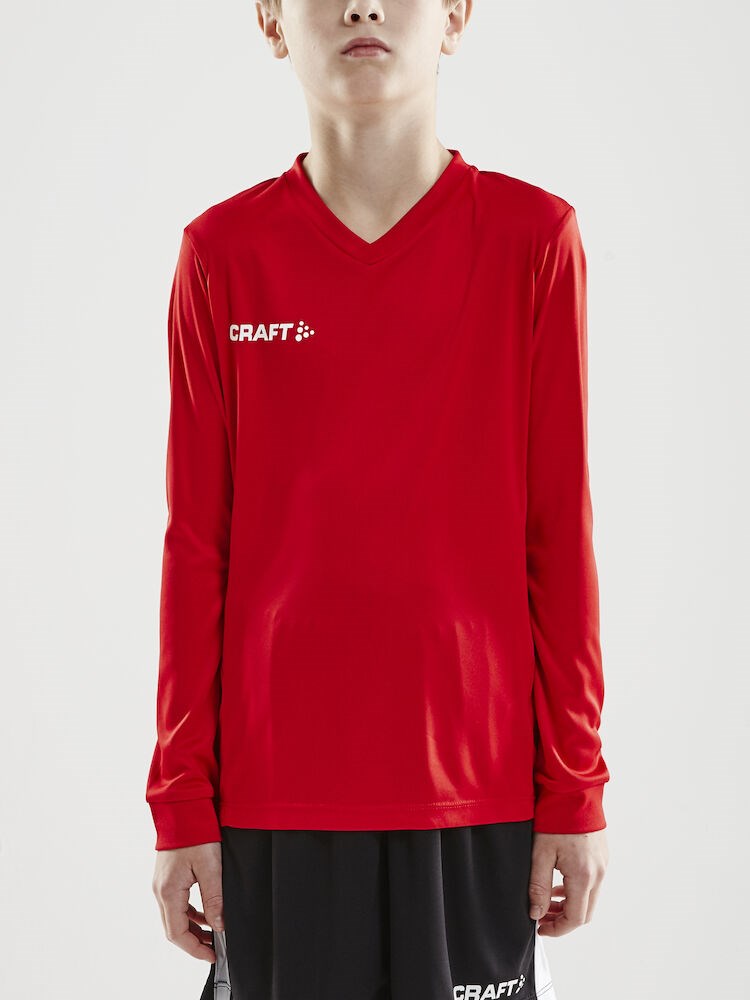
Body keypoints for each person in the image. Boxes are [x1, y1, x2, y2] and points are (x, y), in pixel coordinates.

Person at [146, 2, 611, 998]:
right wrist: (180, 803)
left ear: (455, 15)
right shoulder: (223, 255)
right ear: (271, 19)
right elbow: (196, 549)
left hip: (474, 792)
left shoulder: (534, 239)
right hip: (275, 802)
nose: (363, 5)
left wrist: (576, 786)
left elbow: (558, 535)